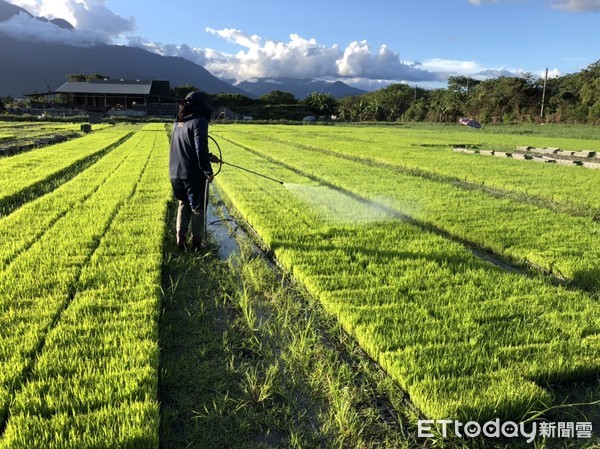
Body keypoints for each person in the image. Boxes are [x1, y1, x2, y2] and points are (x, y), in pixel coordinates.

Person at [169, 91, 219, 251]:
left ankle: (180, 238)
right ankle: (197, 244)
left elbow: (186, 147)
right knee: (198, 208)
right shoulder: (200, 122)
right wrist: (208, 170)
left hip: (175, 173)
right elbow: (199, 148)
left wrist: (209, 156)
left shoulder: (178, 122)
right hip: (193, 175)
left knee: (183, 203)